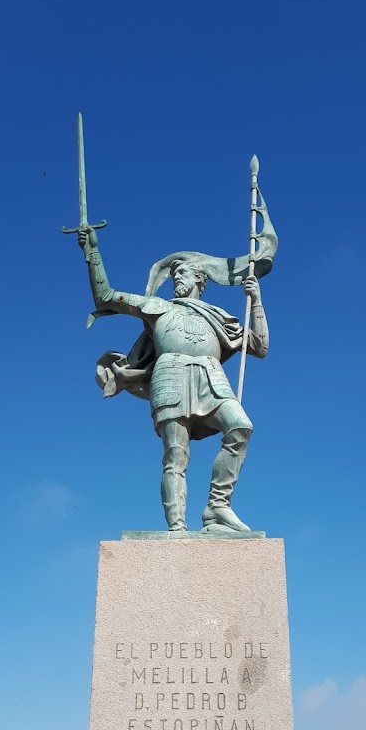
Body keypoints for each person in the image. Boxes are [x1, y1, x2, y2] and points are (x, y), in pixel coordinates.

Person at [78, 225, 269, 532]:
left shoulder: (218, 317)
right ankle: (177, 528)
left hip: (212, 377)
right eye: (174, 274)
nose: (177, 278)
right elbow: (105, 297)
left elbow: (260, 345)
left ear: (200, 280)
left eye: (184, 273)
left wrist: (256, 300)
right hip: (170, 376)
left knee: (240, 427)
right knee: (176, 454)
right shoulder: (157, 307)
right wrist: (92, 253)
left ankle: (218, 507)